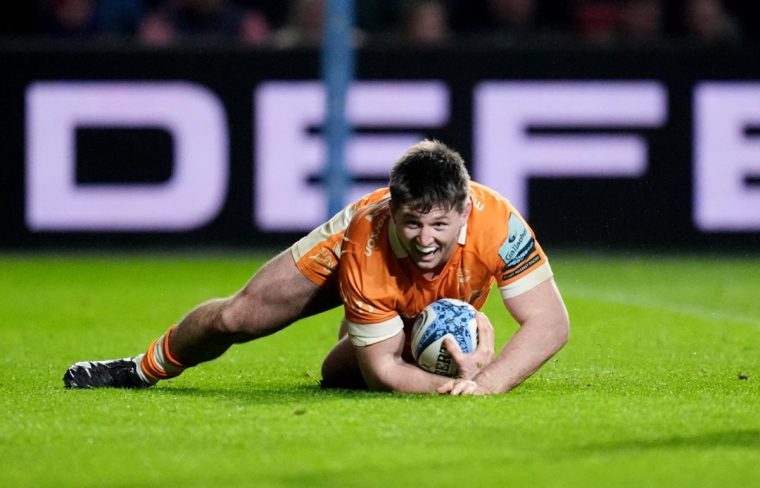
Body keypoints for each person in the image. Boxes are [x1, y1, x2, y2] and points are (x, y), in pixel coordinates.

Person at [63, 140, 570, 396]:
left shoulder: (499, 223)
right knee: (236, 319)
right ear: (393, 210)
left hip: (426, 293)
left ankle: (389, 327)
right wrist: (460, 388)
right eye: (412, 223)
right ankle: (141, 367)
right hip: (351, 259)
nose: (425, 239)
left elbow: (550, 321)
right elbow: (382, 372)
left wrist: (488, 382)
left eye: (439, 225)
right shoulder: (370, 240)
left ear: (465, 211)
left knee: (334, 374)